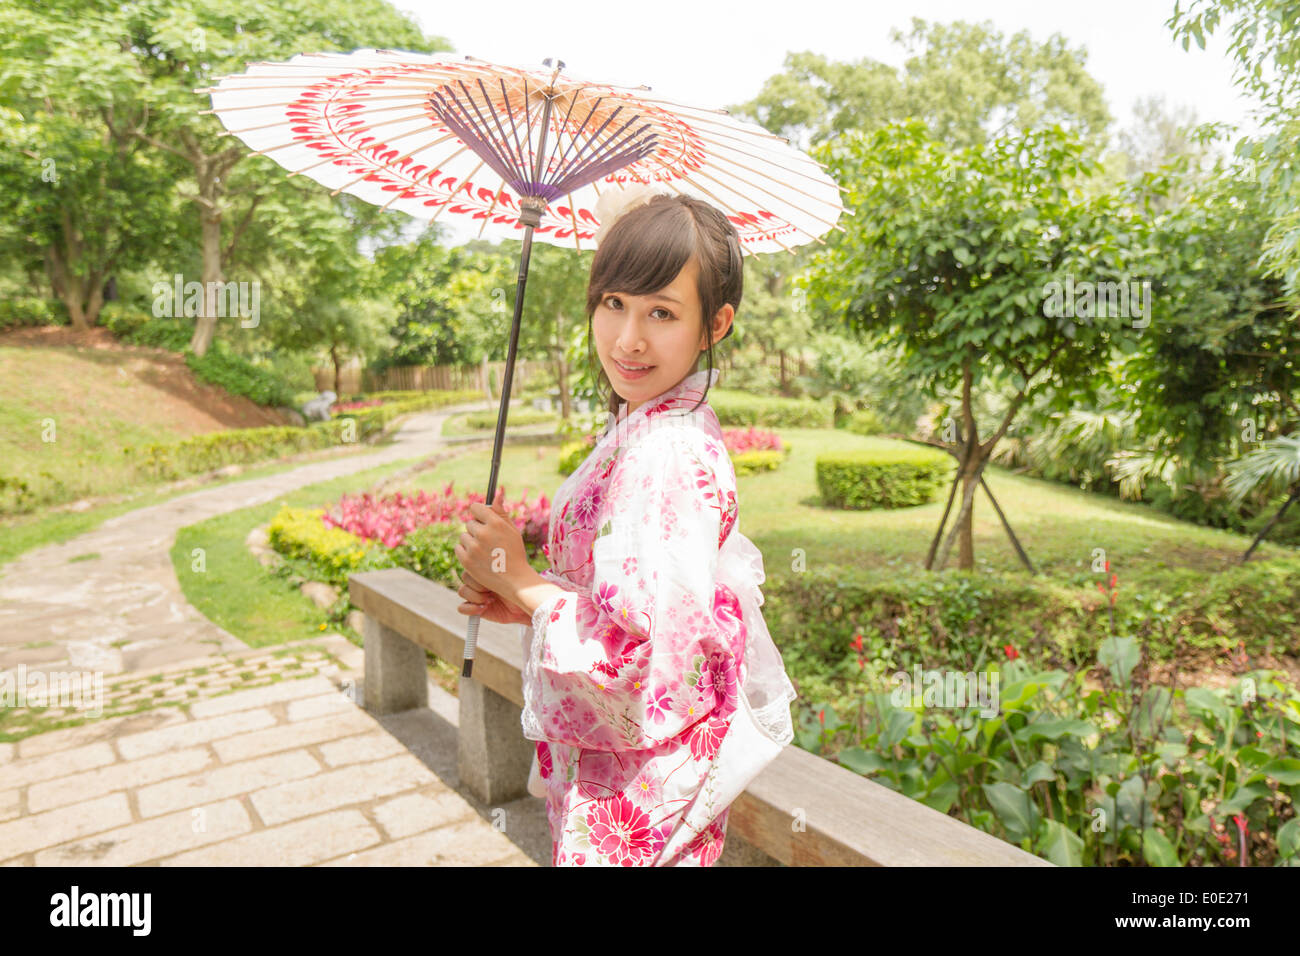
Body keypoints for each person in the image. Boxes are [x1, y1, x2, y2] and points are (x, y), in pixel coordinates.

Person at [453, 185, 797, 866]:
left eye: (662, 312)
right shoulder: (651, 427)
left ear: (715, 324)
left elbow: (650, 662)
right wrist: (527, 602)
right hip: (634, 778)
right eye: (614, 303)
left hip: (641, 794)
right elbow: (634, 604)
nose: (628, 338)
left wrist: (523, 584)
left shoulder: (665, 450)